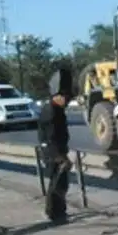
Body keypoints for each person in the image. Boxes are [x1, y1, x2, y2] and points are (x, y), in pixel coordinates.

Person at [37, 67, 74, 223]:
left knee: (61, 184)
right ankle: (52, 213)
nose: (68, 101)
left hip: (57, 151)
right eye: (66, 97)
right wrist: (61, 158)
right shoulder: (51, 112)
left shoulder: (57, 109)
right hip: (53, 153)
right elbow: (51, 138)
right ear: (57, 96)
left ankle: (60, 211)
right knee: (56, 184)